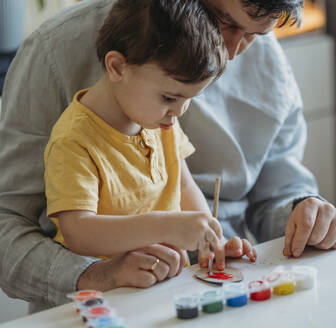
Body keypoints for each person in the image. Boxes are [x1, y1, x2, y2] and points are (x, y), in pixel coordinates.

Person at [0, 0, 336, 312]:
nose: (229, 53)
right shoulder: (55, 56)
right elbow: (9, 223)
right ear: (116, 67)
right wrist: (98, 274)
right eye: (225, 21)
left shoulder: (262, 56)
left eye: (254, 35)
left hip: (216, 292)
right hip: (103, 308)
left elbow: (276, 184)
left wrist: (303, 212)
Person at [44, 0, 256, 268]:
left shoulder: (159, 120)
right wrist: (163, 227)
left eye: (189, 99)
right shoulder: (74, 140)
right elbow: (78, 231)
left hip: (161, 283)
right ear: (117, 67)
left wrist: (215, 241)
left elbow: (183, 186)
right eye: (169, 97)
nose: (179, 111)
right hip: (103, 298)